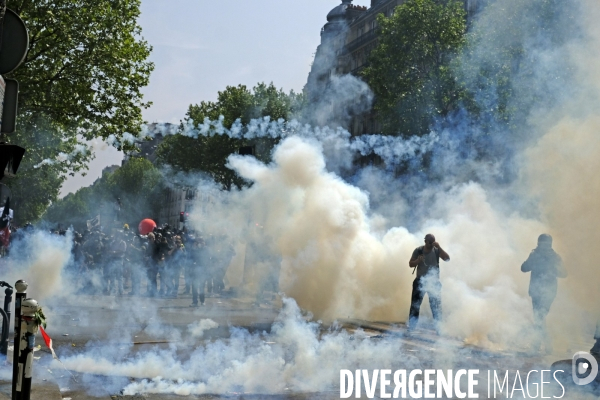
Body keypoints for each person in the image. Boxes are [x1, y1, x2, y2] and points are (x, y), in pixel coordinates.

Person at [521, 233, 567, 353]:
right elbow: (524, 268)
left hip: (548, 291)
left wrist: (552, 269)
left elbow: (564, 273)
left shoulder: (554, 257)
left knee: (539, 317)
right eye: (542, 243)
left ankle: (543, 345)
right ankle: (541, 344)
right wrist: (534, 261)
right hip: (537, 291)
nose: (544, 246)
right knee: (539, 318)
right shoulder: (537, 255)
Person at [407, 233, 450, 331]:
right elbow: (410, 264)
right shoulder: (418, 250)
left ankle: (439, 329)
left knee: (436, 307)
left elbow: (447, 259)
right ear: (425, 241)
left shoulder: (436, 250)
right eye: (430, 242)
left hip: (433, 282)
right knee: (415, 306)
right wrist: (418, 261)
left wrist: (439, 247)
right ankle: (412, 328)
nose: (432, 244)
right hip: (420, 281)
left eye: (433, 242)